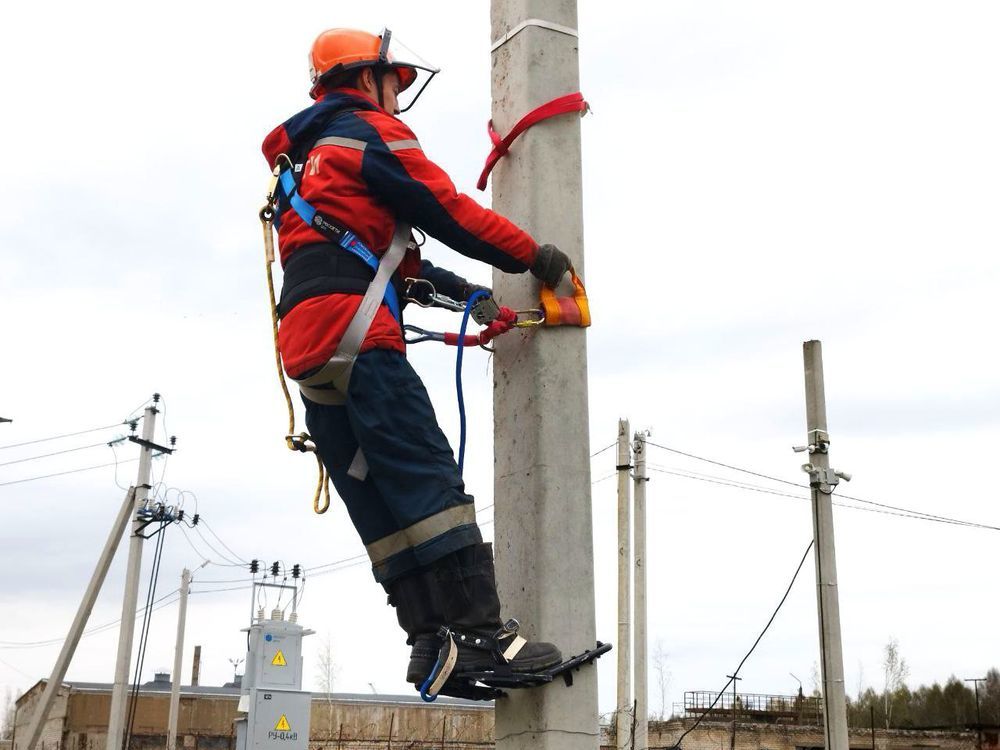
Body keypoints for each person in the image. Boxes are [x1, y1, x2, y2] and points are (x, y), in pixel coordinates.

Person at [261, 28, 573, 690]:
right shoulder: (367, 133)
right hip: (360, 338)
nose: (398, 96)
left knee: (384, 503)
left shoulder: (309, 160)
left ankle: (433, 645)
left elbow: (375, 263)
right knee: (431, 486)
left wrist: (472, 300)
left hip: (311, 355)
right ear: (364, 79)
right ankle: (485, 640)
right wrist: (534, 257)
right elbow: (449, 210)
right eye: (392, 82)